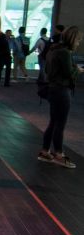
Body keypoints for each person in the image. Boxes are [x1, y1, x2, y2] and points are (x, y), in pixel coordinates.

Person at [38, 26, 82, 169]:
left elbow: (47, 70)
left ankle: (45, 151)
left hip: (52, 89)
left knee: (53, 122)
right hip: (62, 91)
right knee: (59, 124)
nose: (79, 43)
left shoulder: (53, 49)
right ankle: (59, 154)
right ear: (73, 39)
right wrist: (78, 70)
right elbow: (69, 74)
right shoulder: (65, 52)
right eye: (79, 40)